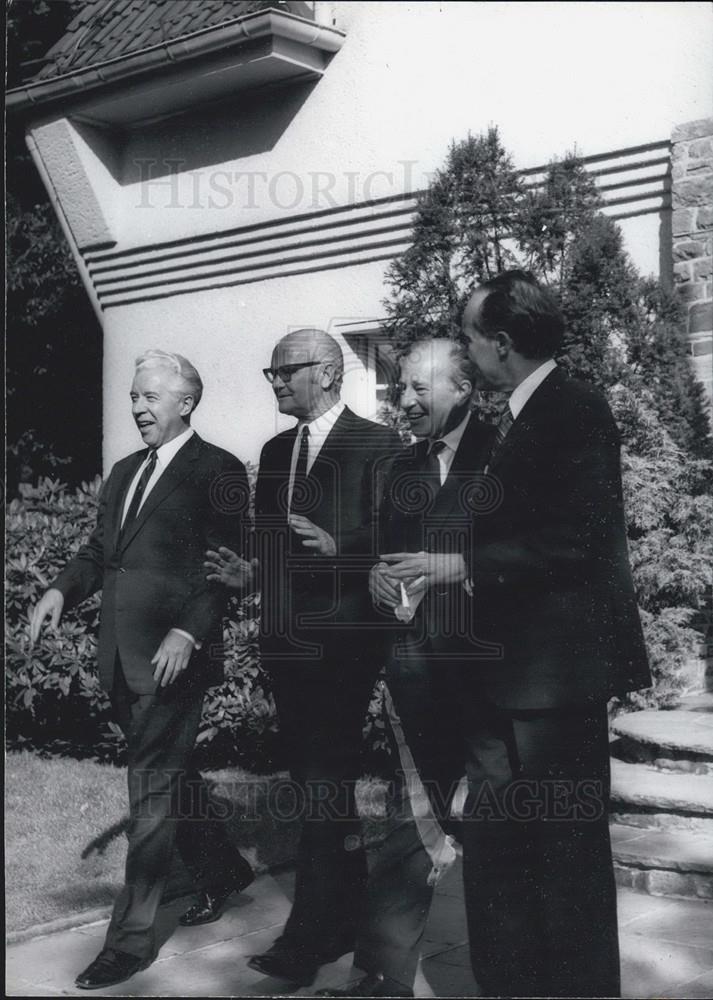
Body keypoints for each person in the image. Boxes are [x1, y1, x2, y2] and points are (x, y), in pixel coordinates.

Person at [440, 269, 649, 997]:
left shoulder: (573, 410)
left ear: (500, 343)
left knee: (564, 859)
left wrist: (456, 563)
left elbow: (572, 544)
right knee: (499, 849)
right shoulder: (521, 416)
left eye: (469, 336)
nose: (465, 352)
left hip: (556, 679)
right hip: (509, 676)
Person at [29, 350, 253, 991]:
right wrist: (59, 591)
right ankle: (223, 870)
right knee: (169, 778)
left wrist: (189, 629)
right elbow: (102, 551)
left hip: (174, 659)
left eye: (150, 397)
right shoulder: (126, 471)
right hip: (120, 657)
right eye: (133, 396)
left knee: (149, 798)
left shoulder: (219, 470)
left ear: (186, 402)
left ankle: (129, 943)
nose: (137, 407)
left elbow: (225, 565)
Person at [205, 329, 401, 987]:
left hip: (346, 644)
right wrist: (247, 576)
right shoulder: (275, 449)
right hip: (287, 645)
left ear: (327, 371)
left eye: (285, 371)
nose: (275, 382)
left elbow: (395, 536)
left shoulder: (378, 445)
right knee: (318, 784)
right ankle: (344, 916)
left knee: (321, 782)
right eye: (271, 372)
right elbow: (271, 545)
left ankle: (310, 935)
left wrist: (336, 544)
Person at [317, 336, 494, 999]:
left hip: (493, 682)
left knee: (497, 832)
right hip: (415, 668)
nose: (405, 398)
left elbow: (539, 559)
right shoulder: (402, 468)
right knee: (407, 824)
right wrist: (372, 577)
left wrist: (457, 571)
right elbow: (383, 552)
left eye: (422, 387)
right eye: (400, 386)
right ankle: (384, 977)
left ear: (464, 390)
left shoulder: (509, 458)